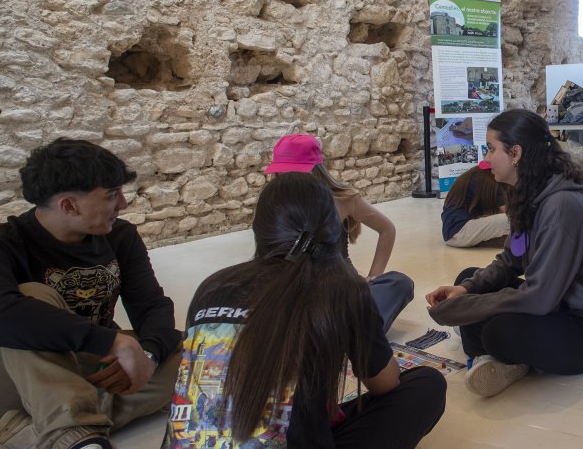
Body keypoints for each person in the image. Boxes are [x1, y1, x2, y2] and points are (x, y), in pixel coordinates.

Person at [167, 172, 445, 448]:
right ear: (333, 229)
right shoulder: (342, 289)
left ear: (259, 229)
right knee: (427, 385)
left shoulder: (212, 286)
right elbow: (386, 384)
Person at [0, 139, 181, 449]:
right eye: (111, 195)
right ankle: (74, 433)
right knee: (31, 298)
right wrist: (112, 340)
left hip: (81, 370)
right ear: (69, 205)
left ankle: (41, 432)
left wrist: (147, 355)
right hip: (9, 378)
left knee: (193, 354)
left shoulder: (121, 236)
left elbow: (151, 305)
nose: (122, 204)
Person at [425, 110, 583, 397]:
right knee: (468, 277)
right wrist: (466, 290)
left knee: (498, 330)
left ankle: (500, 356)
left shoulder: (560, 207)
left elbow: (540, 297)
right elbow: (510, 261)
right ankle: (492, 359)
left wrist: (467, 308)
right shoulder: (527, 192)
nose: (486, 158)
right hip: (557, 306)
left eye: (492, 149)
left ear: (516, 153)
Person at [265, 134, 413, 332]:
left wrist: (374, 276)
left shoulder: (342, 199)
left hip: (343, 291)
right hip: (299, 295)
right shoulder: (273, 203)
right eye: (284, 173)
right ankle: (351, 333)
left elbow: (387, 229)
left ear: (315, 171)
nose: (289, 180)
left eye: (296, 173)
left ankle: (347, 332)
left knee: (399, 283)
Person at [441, 163, 510, 248]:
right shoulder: (490, 179)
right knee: (514, 219)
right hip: (459, 232)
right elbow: (508, 211)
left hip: (454, 232)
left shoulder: (478, 174)